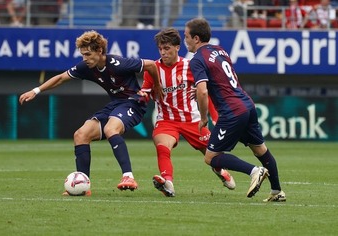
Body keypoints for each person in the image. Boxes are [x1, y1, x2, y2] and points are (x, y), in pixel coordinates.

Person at [19, 30, 163, 196]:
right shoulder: (86, 67)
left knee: (111, 129)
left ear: (100, 51)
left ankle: (128, 176)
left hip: (133, 104)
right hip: (116, 105)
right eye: (82, 55)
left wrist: (156, 86)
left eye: (88, 54)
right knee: (81, 134)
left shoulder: (118, 63)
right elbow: (60, 78)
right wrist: (36, 91)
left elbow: (151, 65)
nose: (84, 59)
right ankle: (82, 185)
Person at [184, 18, 286, 202]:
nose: (185, 41)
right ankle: (276, 191)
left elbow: (202, 91)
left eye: (186, 37)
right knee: (260, 149)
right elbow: (222, 79)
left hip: (232, 111)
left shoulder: (197, 59)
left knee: (211, 158)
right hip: (247, 104)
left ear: (196, 38)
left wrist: (204, 117)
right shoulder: (220, 50)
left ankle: (254, 171)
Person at [139, 28, 235, 197]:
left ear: (177, 47)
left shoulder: (190, 67)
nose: (163, 52)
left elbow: (207, 91)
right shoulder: (153, 69)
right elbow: (145, 92)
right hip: (166, 120)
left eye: (167, 48)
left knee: (212, 156)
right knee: (162, 147)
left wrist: (214, 116)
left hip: (192, 120)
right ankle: (167, 183)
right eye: (161, 49)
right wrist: (143, 96)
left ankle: (221, 171)